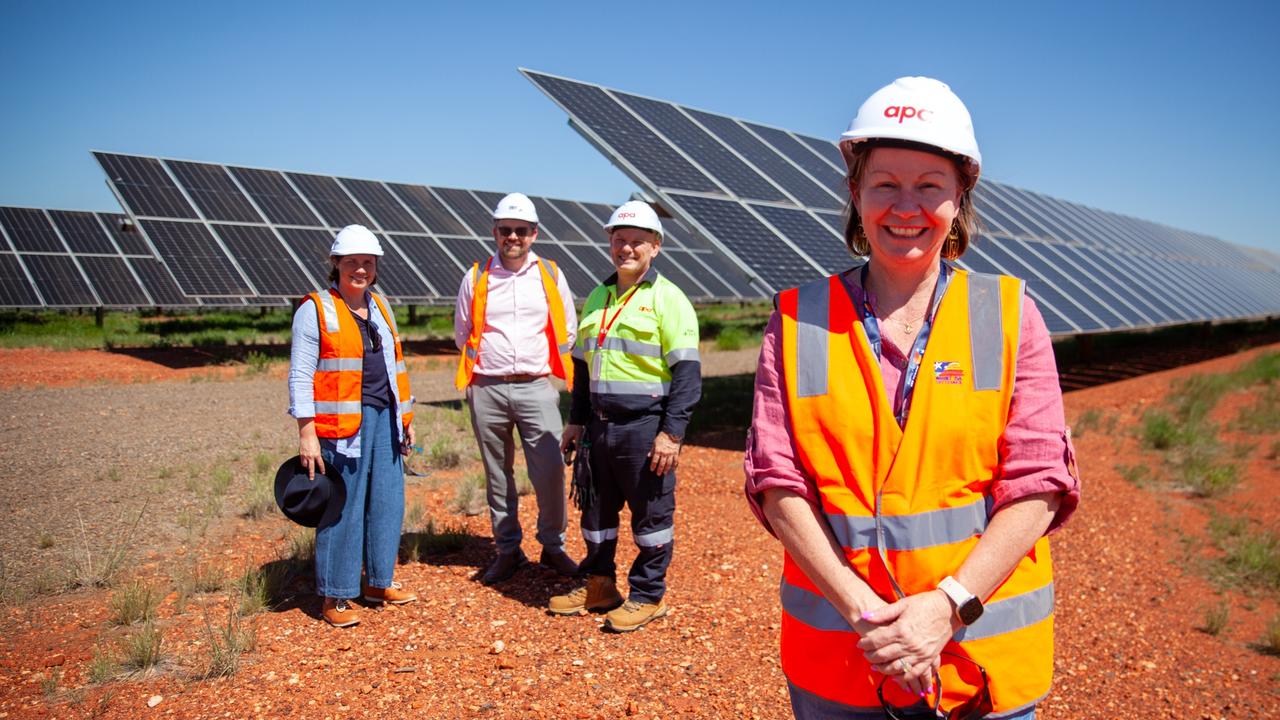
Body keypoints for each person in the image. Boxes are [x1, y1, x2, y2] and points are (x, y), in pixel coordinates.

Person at [744, 77, 1081, 718]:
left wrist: (947, 605)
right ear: (855, 192)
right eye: (885, 184)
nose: (907, 206)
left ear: (960, 195)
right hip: (844, 658)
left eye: (929, 185)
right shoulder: (794, 320)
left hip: (979, 660)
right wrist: (862, 611)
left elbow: (1038, 484)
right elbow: (775, 482)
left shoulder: (1010, 316)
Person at [548, 201, 701, 632]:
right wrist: (577, 421)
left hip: (644, 426)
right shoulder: (598, 295)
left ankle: (648, 595)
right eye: (619, 240)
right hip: (599, 427)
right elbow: (582, 367)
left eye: (637, 241)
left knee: (651, 519)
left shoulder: (669, 299)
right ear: (610, 243)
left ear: (656, 246)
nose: (627, 248)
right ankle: (599, 583)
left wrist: (671, 434)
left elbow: (688, 375)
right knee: (595, 514)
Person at [289, 224, 418, 628]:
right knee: (342, 506)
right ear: (336, 264)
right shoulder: (315, 309)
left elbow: (395, 367)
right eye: (352, 263)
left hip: (385, 417)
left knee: (387, 500)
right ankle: (335, 594)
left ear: (376, 266)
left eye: (367, 263)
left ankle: (379, 582)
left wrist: (406, 419)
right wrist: (306, 432)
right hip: (342, 422)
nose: (360, 270)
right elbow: (300, 375)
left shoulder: (381, 306)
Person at [454, 192, 579, 584]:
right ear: (495, 232)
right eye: (506, 230)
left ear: (534, 233)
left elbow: (569, 332)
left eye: (521, 230)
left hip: (536, 387)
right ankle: (507, 550)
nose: (513, 237)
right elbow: (463, 335)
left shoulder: (551, 275)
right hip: (487, 388)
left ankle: (553, 546)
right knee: (497, 474)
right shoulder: (476, 276)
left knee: (550, 471)